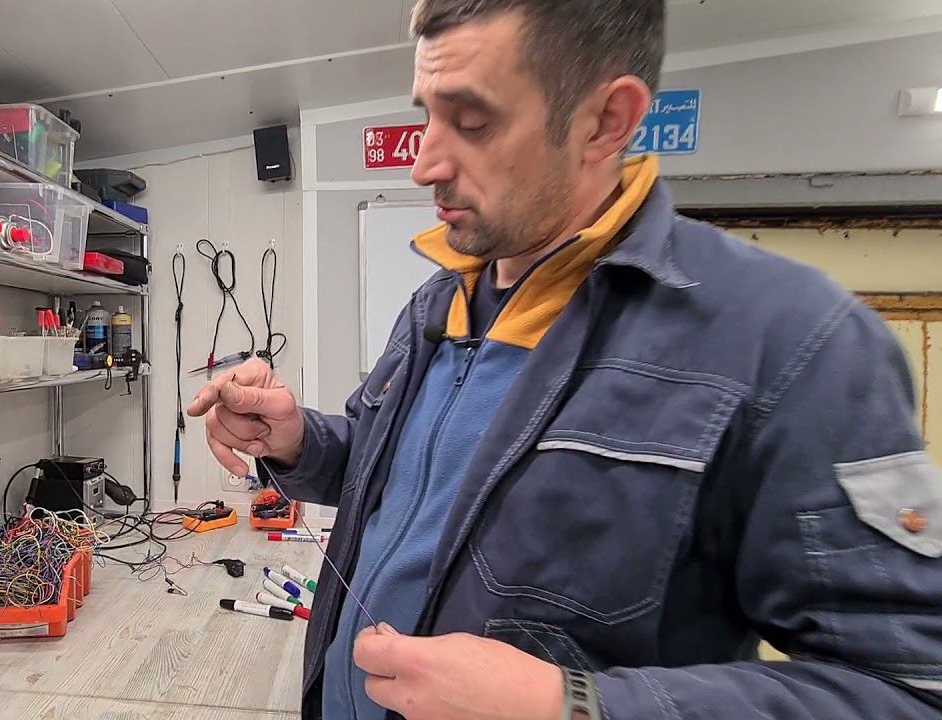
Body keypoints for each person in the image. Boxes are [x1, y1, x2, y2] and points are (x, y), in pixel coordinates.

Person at [187, 1, 942, 718]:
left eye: (473, 121)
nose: (424, 164)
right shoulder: (436, 303)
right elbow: (396, 480)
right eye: (427, 116)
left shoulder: (792, 340)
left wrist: (572, 706)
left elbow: (911, 690)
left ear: (607, 121)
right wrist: (296, 440)